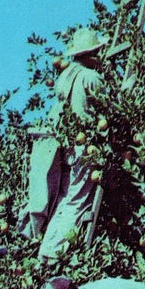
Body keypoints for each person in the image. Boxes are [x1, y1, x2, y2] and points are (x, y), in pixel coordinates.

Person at [19, 27, 104, 263]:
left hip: (66, 147)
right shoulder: (91, 77)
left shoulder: (65, 75)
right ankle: (55, 252)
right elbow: (108, 111)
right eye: (97, 52)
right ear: (90, 54)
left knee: (65, 200)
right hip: (85, 148)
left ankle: (45, 251)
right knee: (77, 202)